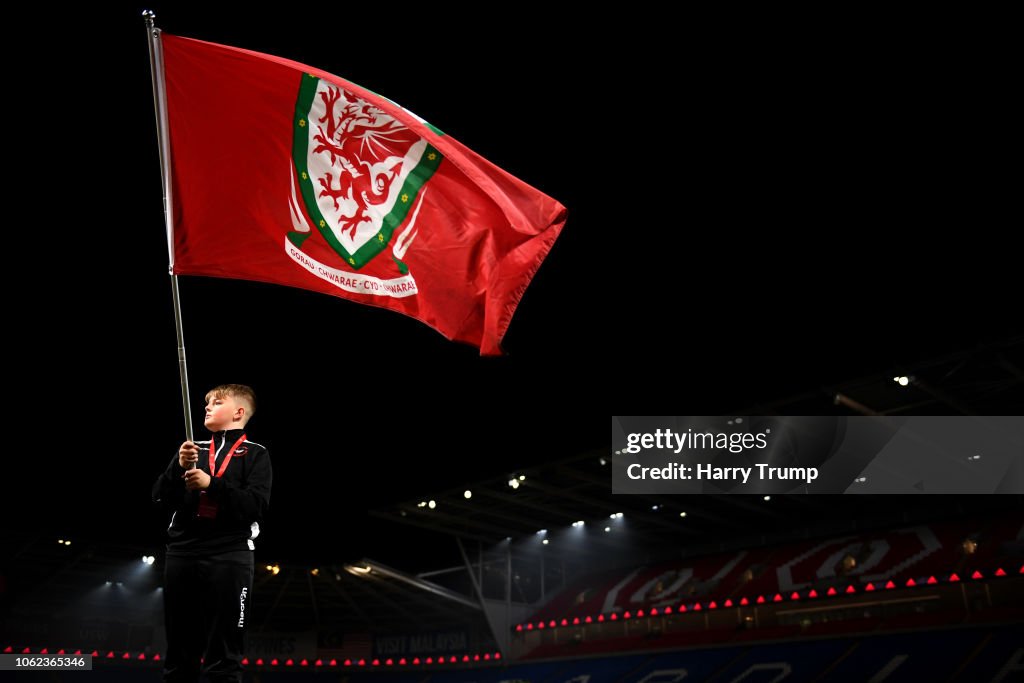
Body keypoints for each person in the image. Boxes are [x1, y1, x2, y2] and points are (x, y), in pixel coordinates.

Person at [152, 384, 272, 683]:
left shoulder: (256, 454)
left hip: (230, 553)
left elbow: (255, 505)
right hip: (183, 552)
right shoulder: (191, 450)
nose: (206, 407)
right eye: (206, 403)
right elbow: (159, 498)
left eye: (216, 402)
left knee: (224, 647)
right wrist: (176, 471)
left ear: (238, 412)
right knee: (180, 646)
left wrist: (211, 484)